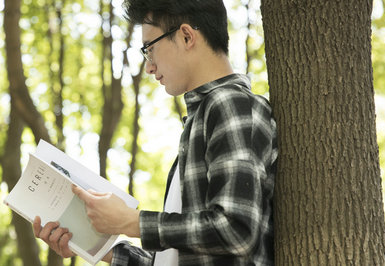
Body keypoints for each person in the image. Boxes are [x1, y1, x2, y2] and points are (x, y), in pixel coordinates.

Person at [33, 0, 278, 265]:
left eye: (149, 49)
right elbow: (177, 257)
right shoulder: (201, 119)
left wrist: (131, 222)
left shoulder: (230, 104)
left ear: (186, 36)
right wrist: (95, 246)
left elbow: (236, 231)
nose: (149, 67)